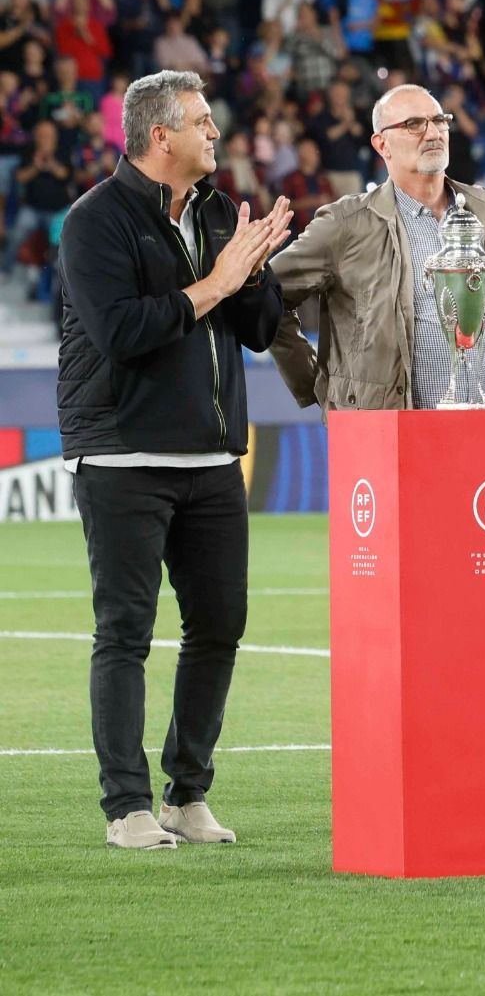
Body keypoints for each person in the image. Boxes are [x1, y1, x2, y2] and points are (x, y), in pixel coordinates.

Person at [56, 69, 291, 849]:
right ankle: (126, 807)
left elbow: (255, 328)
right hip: (122, 452)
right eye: (202, 122)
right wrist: (217, 282)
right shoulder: (94, 221)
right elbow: (122, 331)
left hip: (213, 455)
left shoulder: (223, 211)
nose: (215, 134)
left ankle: (188, 794)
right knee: (125, 628)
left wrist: (253, 275)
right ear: (161, 136)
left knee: (221, 623)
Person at [269, 83, 485, 411]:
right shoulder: (347, 223)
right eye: (413, 124)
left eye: (439, 120)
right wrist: (314, 383)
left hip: (484, 430)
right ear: (381, 144)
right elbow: (267, 294)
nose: (432, 133)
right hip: (388, 436)